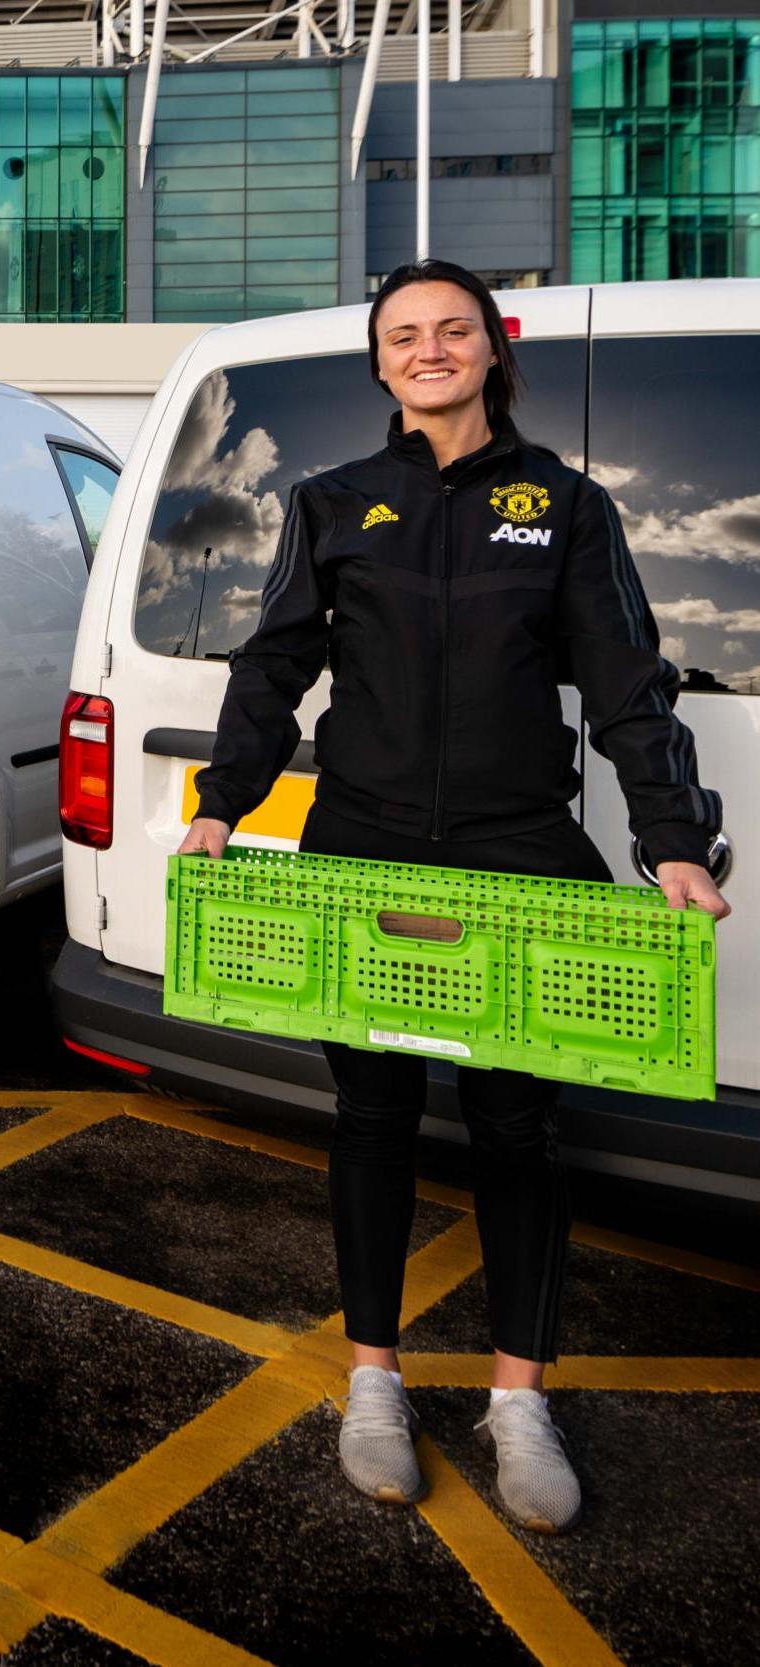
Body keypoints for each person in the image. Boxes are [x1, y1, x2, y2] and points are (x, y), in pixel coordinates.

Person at [180, 260, 730, 1536]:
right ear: (378, 366)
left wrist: (672, 840)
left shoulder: (566, 508)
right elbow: (274, 669)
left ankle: (514, 1401)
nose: (427, 350)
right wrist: (220, 799)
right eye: (402, 336)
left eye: (451, 330)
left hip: (515, 850)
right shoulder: (331, 505)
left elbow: (625, 685)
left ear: (492, 347)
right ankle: (371, 1380)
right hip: (362, 849)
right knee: (369, 1118)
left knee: (517, 1129)